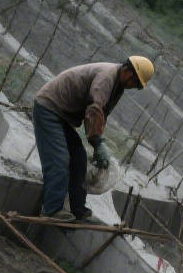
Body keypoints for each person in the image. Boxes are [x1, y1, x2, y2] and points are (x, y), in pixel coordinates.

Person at [32, 56, 153, 220]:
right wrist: (97, 143)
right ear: (126, 70)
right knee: (59, 160)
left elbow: (101, 115)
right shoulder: (107, 76)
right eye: (133, 80)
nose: (132, 86)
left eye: (136, 85)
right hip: (49, 108)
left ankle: (78, 210)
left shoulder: (118, 85)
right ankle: (51, 210)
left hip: (64, 115)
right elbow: (94, 109)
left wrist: (97, 141)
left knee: (79, 160)